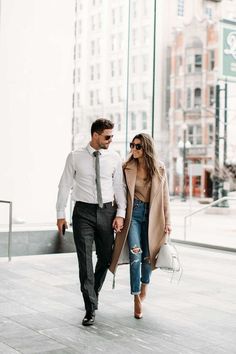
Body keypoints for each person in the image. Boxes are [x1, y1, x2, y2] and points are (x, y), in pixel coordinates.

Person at [56, 118, 126, 326]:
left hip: (107, 211)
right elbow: (64, 185)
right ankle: (90, 307)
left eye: (112, 136)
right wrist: (60, 214)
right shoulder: (75, 157)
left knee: (105, 257)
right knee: (85, 261)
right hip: (83, 212)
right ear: (95, 135)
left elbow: (119, 187)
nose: (110, 140)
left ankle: (92, 293)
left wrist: (120, 213)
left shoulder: (114, 157)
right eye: (107, 136)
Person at [109, 133, 171, 319]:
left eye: (138, 146)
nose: (133, 149)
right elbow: (118, 193)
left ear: (146, 149)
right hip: (133, 215)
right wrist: (118, 216)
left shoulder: (159, 168)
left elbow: (165, 198)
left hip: (152, 216)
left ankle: (145, 284)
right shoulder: (126, 166)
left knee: (148, 256)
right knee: (135, 254)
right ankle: (136, 296)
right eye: (132, 145)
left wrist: (168, 221)